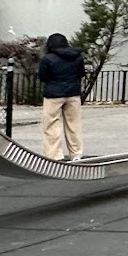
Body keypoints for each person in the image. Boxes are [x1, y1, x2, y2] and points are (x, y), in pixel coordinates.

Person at [36, 32, 86, 161]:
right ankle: (76, 154)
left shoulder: (48, 58)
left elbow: (43, 77)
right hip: (73, 93)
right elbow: (81, 73)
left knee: (51, 126)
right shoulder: (77, 56)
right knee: (74, 125)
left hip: (53, 95)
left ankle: (54, 156)